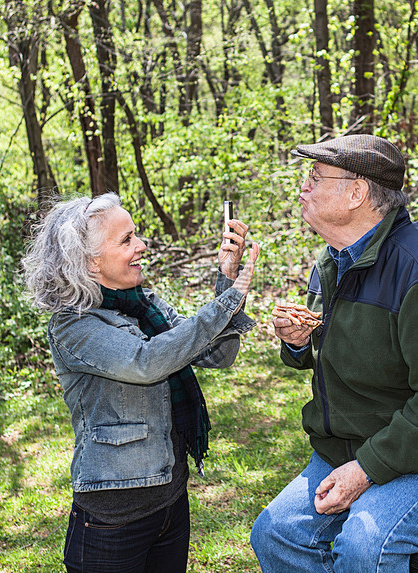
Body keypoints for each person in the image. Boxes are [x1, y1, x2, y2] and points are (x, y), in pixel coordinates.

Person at [250, 134, 418, 573]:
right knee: (275, 534)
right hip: (351, 448)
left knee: (366, 549)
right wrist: (297, 343)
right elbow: (341, 350)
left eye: (315, 177)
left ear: (357, 192)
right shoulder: (334, 261)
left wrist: (365, 469)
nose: (303, 187)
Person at [22, 192, 260, 573]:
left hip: (169, 499)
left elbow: (218, 355)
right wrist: (227, 302)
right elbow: (146, 362)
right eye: (126, 240)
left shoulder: (145, 305)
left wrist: (226, 280)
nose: (142, 246)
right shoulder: (74, 325)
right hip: (113, 519)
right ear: (90, 262)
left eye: (136, 235)